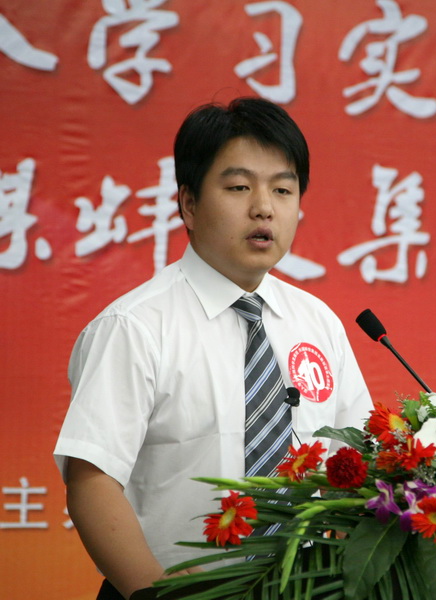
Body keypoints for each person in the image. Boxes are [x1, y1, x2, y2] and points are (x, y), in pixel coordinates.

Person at [54, 97, 373, 600]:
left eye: (283, 189)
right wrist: (154, 591)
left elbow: (355, 463)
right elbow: (92, 481)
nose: (264, 207)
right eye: (239, 187)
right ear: (188, 204)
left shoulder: (319, 324)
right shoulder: (135, 326)